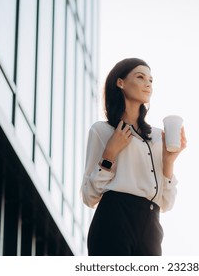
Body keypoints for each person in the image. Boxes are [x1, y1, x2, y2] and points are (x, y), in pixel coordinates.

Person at [80, 58, 187, 256]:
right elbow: (89, 196)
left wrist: (169, 161)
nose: (148, 84)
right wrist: (110, 153)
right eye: (140, 77)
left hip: (151, 225)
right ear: (120, 82)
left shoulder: (158, 137)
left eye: (151, 80)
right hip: (113, 219)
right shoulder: (102, 131)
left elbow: (166, 202)